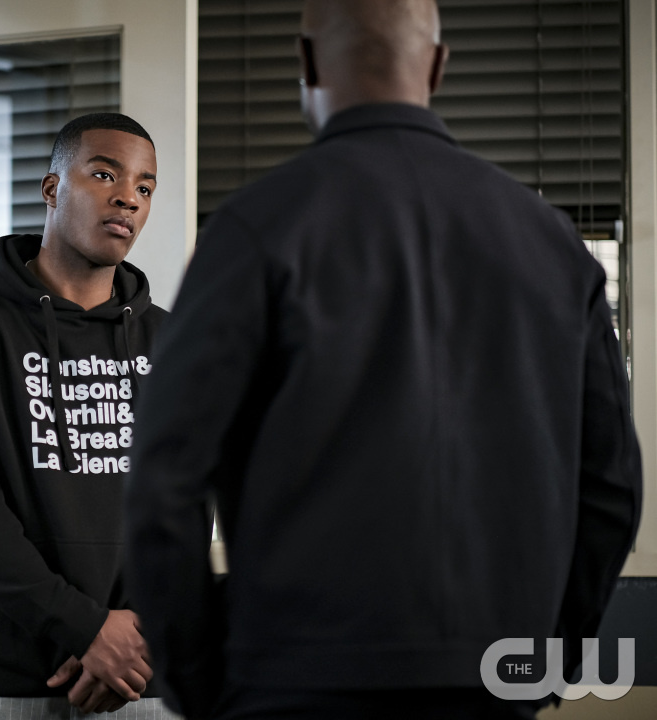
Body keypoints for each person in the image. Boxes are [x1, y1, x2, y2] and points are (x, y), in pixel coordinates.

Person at [124, 1, 643, 719]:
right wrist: (541, 661)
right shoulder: (552, 242)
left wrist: (199, 678)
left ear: (306, 63)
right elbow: (611, 487)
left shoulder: (256, 227)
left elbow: (164, 479)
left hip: (292, 682)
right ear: (438, 65)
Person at [0, 113, 176, 719]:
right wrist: (84, 628)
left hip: (139, 675)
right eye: (104, 174)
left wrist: (137, 635)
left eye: (145, 186)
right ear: (52, 188)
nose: (128, 197)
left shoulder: (171, 341)